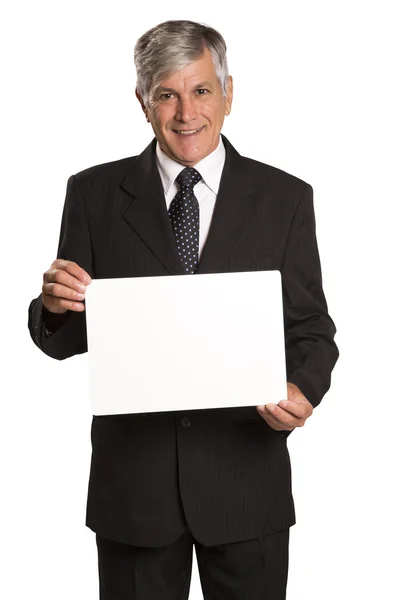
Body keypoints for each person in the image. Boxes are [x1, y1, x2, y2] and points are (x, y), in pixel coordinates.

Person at [28, 19, 339, 600]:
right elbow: (62, 339)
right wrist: (54, 305)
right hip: (135, 497)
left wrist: (303, 389)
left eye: (200, 91)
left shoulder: (285, 197)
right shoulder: (93, 195)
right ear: (142, 101)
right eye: (166, 94)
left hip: (246, 483)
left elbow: (311, 327)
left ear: (228, 94)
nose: (185, 113)